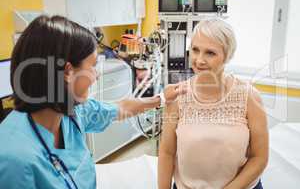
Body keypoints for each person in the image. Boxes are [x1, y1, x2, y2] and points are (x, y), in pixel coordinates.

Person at [0, 15, 184, 189]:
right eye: (93, 65)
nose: (96, 75)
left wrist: (160, 99)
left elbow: (120, 108)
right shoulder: (14, 159)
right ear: (68, 72)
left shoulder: (70, 112)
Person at [158, 18, 269, 189]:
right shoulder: (178, 96)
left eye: (210, 53)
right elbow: (167, 152)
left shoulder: (249, 97)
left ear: (227, 56)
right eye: (195, 50)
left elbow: (259, 158)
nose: (199, 60)